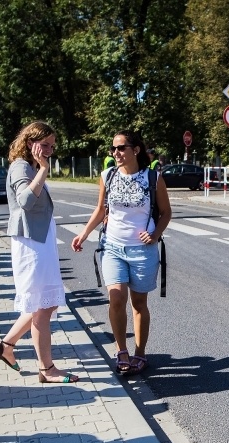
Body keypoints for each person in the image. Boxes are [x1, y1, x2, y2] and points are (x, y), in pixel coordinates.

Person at [72, 130, 171, 376]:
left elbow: (166, 212)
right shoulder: (108, 175)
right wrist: (83, 234)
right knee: (116, 298)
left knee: (139, 303)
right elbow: (100, 210)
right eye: (113, 149)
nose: (115, 153)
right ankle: (121, 350)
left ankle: (140, 352)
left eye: (120, 148)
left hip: (142, 250)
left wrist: (155, 234)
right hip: (112, 247)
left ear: (135, 150)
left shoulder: (153, 177)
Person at [0, 121, 77, 381]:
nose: (49, 151)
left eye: (52, 147)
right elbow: (25, 201)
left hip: (39, 242)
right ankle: (46, 368)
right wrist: (43, 168)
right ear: (29, 142)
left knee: (43, 304)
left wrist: (41, 167)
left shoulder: (29, 166)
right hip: (31, 245)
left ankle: (6, 345)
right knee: (42, 307)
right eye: (45, 145)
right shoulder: (21, 166)